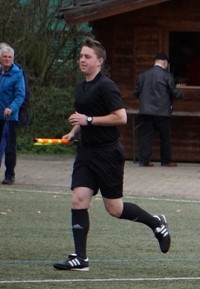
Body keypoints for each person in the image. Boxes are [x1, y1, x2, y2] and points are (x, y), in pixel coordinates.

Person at [53, 38, 171, 271]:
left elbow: (121, 117)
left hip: (108, 154)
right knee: (78, 199)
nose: (82, 60)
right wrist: (74, 132)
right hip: (86, 152)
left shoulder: (106, 86)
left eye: (87, 57)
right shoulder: (81, 87)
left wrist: (88, 120)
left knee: (114, 209)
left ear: (99, 61)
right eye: (81, 56)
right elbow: (83, 115)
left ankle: (156, 223)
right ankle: (81, 258)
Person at [134, 52, 182, 167]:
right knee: (164, 137)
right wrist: (182, 94)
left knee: (147, 135)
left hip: (146, 111)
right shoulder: (167, 76)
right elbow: (173, 92)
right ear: (165, 63)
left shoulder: (143, 75)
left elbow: (136, 92)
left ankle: (144, 160)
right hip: (162, 111)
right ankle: (166, 160)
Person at [0, 42, 27, 185]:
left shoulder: (17, 74)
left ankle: (10, 174)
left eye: (9, 57)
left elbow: (20, 95)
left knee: (10, 147)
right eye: (4, 56)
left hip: (10, 117)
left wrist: (11, 108)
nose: (7, 59)